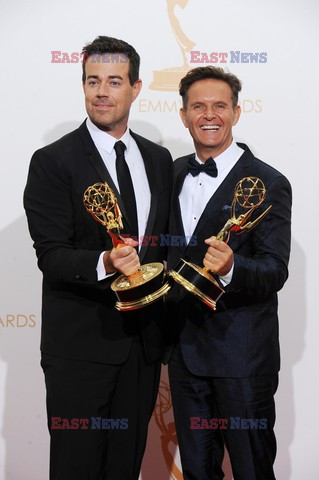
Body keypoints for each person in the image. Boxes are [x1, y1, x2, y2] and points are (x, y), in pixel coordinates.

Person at [24, 36, 172, 480]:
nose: (101, 91)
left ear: (136, 88)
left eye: (114, 81)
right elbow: (50, 255)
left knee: (124, 466)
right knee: (77, 467)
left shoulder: (159, 159)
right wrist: (105, 262)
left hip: (142, 348)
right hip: (81, 350)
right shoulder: (53, 161)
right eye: (92, 81)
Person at [167, 66, 292, 480]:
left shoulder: (269, 183)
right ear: (183, 114)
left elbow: (275, 270)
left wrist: (233, 268)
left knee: (252, 469)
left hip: (242, 358)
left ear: (236, 113)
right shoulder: (169, 176)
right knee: (198, 473)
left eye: (220, 105)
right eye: (198, 106)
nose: (209, 114)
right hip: (184, 356)